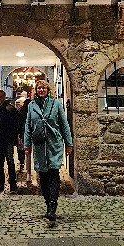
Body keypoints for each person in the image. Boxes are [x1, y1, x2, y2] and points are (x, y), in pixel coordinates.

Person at [23, 79, 72, 227]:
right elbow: (28, 127)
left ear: (48, 89)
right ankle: (47, 201)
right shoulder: (31, 106)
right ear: (35, 90)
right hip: (39, 146)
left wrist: (68, 143)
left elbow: (64, 124)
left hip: (53, 144)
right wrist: (27, 144)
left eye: (43, 88)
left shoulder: (56, 104)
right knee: (42, 176)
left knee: (53, 174)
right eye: (39, 88)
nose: (41, 90)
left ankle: (52, 205)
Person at [0, 89, 19, 193]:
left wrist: (14, 136)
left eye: (2, 96)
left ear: (4, 97)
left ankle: (13, 183)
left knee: (10, 162)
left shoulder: (10, 108)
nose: (0, 98)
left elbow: (17, 121)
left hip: (8, 140)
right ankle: (1, 183)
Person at [15, 96, 27, 174]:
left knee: (23, 149)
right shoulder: (17, 111)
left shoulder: (22, 112)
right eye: (17, 103)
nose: (17, 104)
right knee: (20, 149)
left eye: (19, 103)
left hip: (23, 133)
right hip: (20, 133)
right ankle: (22, 162)